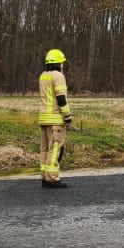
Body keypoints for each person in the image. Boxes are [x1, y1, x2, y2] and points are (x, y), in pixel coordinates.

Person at [37, 47, 73, 189]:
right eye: (62, 62)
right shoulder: (58, 76)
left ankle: (45, 177)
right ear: (58, 63)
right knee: (55, 149)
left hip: (43, 119)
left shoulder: (43, 76)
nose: (63, 65)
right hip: (55, 120)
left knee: (45, 149)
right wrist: (68, 117)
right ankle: (52, 178)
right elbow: (61, 98)